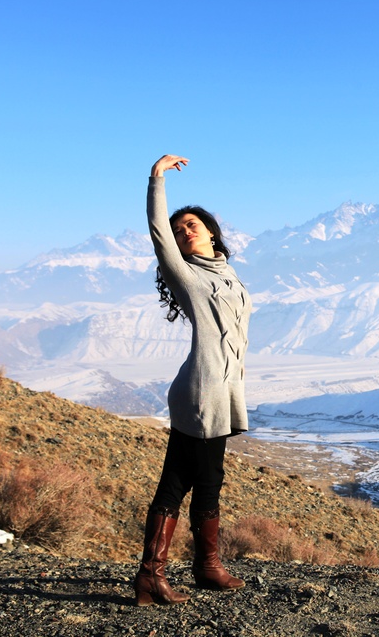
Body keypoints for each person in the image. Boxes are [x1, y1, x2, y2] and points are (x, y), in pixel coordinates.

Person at [133, 154, 252, 606]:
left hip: (220, 390)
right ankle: (189, 570)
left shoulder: (226, 271)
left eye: (192, 225)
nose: (184, 231)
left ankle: (188, 571)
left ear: (211, 232)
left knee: (195, 481)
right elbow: (159, 233)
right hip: (201, 392)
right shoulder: (185, 273)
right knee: (196, 482)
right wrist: (156, 178)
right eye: (180, 229)